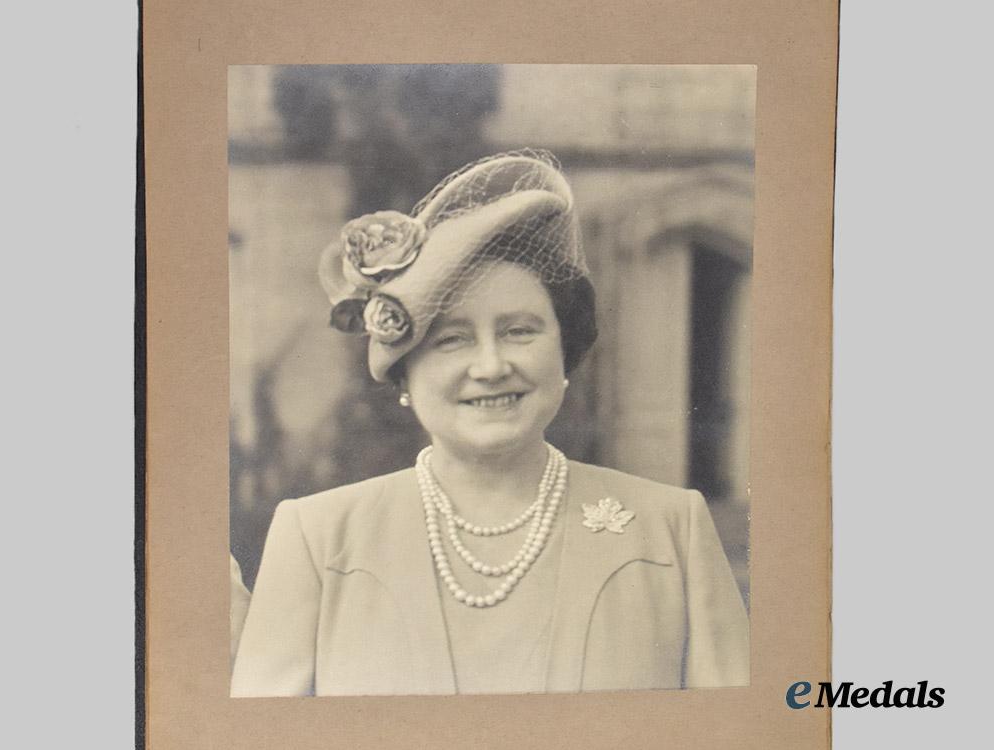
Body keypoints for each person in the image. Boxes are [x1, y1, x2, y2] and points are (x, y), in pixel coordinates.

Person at [230, 150, 749, 696]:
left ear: (564, 350)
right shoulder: (317, 537)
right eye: (452, 340)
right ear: (404, 374)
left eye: (520, 331)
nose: (492, 366)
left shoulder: (672, 527)